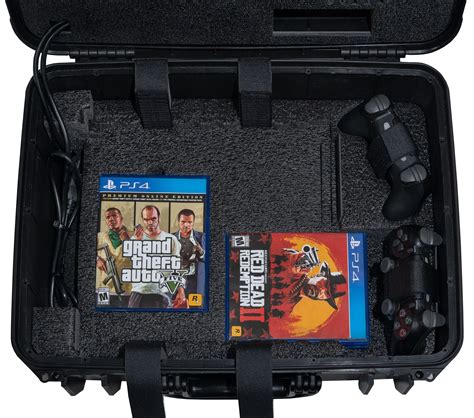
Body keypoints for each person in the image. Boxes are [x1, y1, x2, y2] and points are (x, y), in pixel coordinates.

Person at [129, 205, 185, 309]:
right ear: (143, 220)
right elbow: (134, 262)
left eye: (153, 218)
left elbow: (177, 267)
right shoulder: (135, 239)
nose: (150, 222)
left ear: (159, 218)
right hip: (138, 292)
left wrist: (181, 292)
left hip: (161, 293)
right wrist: (137, 242)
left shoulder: (171, 239)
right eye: (146, 220)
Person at [96, 207, 132, 306]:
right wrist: (97, 259)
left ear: (121, 218)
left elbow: (142, 257)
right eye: (108, 217)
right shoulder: (100, 236)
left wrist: (128, 241)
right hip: (104, 287)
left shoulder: (133, 235)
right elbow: (86, 249)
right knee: (102, 310)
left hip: (127, 288)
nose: (111, 219)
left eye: (114, 216)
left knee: (127, 312)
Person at [173, 209, 206, 298]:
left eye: (189, 222)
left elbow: (209, 259)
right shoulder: (171, 238)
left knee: (196, 305)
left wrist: (201, 252)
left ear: (193, 222)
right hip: (176, 280)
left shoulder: (202, 237)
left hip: (195, 281)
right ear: (178, 222)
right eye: (183, 222)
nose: (186, 225)